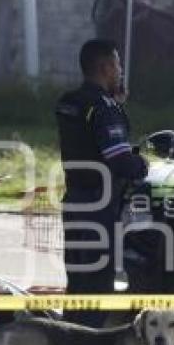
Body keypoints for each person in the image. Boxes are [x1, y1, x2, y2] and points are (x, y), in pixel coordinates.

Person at [55, 39, 148, 326]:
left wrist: (114, 105)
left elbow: (87, 138)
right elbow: (119, 160)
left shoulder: (68, 103)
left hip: (75, 201)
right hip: (101, 206)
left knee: (78, 280)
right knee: (98, 283)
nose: (120, 70)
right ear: (106, 67)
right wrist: (142, 165)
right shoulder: (104, 108)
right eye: (117, 64)